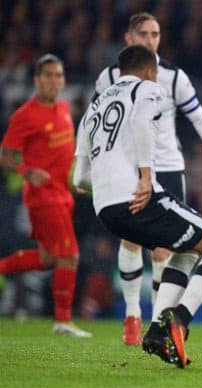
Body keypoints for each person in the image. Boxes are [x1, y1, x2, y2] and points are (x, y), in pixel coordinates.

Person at [73, 45, 202, 368]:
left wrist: (105, 187)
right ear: (150, 70)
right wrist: (146, 176)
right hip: (139, 197)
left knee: (186, 250)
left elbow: (80, 176)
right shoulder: (148, 88)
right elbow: (140, 120)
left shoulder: (95, 105)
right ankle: (179, 318)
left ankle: (156, 330)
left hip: (106, 209)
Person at [0, 54, 91, 338]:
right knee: (70, 255)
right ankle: (62, 321)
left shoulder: (64, 107)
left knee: (49, 257)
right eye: (48, 76)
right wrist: (28, 171)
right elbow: (6, 155)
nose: (54, 81)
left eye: (59, 75)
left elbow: (65, 154)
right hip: (43, 196)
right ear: (37, 80)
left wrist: (75, 178)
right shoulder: (25, 115)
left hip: (63, 192)